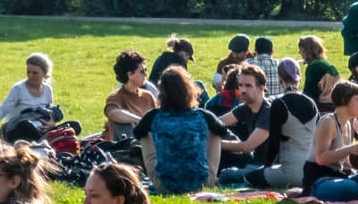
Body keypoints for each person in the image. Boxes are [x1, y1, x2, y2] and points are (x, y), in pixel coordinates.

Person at [137, 66, 227, 194]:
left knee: (144, 134)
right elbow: (222, 130)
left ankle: (159, 175)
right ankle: (210, 177)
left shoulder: (153, 116)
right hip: (201, 183)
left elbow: (137, 133)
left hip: (165, 185)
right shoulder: (203, 115)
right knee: (215, 133)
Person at [240, 59, 317, 190]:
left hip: (291, 172)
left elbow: (274, 143)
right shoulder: (311, 102)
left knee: (246, 176)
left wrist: (266, 168)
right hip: (312, 172)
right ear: (299, 78)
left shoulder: (279, 103)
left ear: (280, 78)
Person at [303, 81, 358, 201]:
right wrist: (350, 149)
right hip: (319, 180)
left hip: (337, 176)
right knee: (351, 188)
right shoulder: (328, 122)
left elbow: (342, 161)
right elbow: (321, 158)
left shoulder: (348, 124)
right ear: (344, 100)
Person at [213, 63, 275, 179]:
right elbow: (217, 122)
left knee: (226, 175)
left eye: (248, 86)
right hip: (252, 160)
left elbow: (247, 146)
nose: (243, 90)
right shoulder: (246, 107)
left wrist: (215, 144)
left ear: (261, 88)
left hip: (267, 166)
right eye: (240, 85)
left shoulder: (268, 111)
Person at [0, 52, 58, 143]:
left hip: (39, 128)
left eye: (35, 73)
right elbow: (3, 109)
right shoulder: (19, 89)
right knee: (25, 126)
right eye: (28, 72)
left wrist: (52, 124)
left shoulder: (48, 90)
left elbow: (49, 111)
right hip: (16, 130)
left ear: (44, 73)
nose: (30, 76)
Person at [104, 49, 159, 141]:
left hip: (149, 146)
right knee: (122, 124)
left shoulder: (148, 96)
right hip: (126, 149)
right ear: (130, 74)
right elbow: (113, 113)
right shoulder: (116, 96)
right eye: (142, 71)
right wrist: (140, 121)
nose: (146, 74)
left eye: (145, 70)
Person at [298, 35, 341, 105]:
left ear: (304, 50)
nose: (299, 53)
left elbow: (309, 95)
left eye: (300, 50)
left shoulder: (313, 67)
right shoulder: (327, 64)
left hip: (323, 106)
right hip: (335, 103)